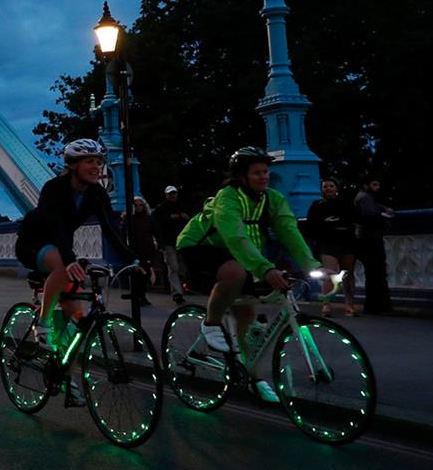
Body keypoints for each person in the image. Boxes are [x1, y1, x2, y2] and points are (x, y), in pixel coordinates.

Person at [176, 147, 321, 403]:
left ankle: (254, 378)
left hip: (242, 257)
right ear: (241, 176)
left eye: (266, 171)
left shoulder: (272, 199)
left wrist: (313, 264)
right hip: (200, 248)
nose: (264, 177)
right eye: (257, 173)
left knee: (247, 314)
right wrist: (266, 269)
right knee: (235, 273)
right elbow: (234, 236)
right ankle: (210, 323)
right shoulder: (227, 197)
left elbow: (289, 231)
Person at [13, 138, 135, 403]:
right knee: (60, 263)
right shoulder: (54, 188)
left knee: (77, 320)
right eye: (89, 161)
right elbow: (56, 226)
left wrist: (135, 261)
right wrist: (69, 260)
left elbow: (111, 228)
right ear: (72, 165)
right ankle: (43, 325)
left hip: (61, 249)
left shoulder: (96, 193)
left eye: (99, 162)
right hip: (33, 244)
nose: (96, 167)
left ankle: (65, 377)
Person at [306, 178, 360, 317]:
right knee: (328, 273)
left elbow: (355, 218)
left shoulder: (346, 203)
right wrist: (324, 222)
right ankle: (326, 304)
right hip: (328, 241)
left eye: (331, 186)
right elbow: (311, 224)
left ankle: (349, 304)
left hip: (346, 240)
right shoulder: (317, 205)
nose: (328, 188)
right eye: (325, 186)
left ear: (337, 188)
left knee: (347, 273)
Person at [354, 176, 395, 315]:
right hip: (371, 239)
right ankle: (380, 306)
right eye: (374, 184)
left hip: (366, 239)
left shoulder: (364, 197)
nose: (377, 188)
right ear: (366, 185)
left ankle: (373, 305)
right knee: (377, 273)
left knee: (372, 274)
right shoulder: (365, 198)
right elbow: (372, 217)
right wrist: (385, 217)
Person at [153, 185, 190, 304]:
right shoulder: (161, 209)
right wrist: (160, 243)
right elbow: (157, 226)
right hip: (168, 242)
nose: (173, 195)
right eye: (170, 194)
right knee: (173, 267)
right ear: (166, 195)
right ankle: (177, 293)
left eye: (174, 193)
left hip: (183, 242)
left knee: (182, 268)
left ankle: (182, 288)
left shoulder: (183, 206)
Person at [124, 196, 159, 306]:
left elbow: (156, 232)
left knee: (146, 273)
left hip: (147, 249)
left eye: (141, 205)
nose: (139, 207)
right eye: (136, 205)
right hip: (135, 250)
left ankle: (142, 295)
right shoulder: (129, 219)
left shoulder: (149, 218)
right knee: (137, 273)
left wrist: (160, 244)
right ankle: (138, 296)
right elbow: (123, 234)